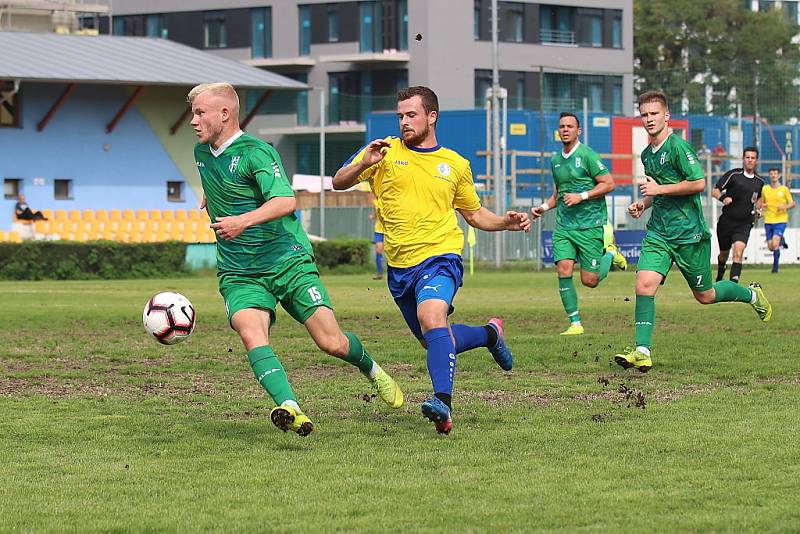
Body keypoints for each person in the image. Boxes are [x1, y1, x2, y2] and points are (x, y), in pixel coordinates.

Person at [188, 82, 403, 437]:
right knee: (251, 334)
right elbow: (222, 178)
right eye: (193, 113)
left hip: (287, 260)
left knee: (331, 342)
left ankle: (372, 370)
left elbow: (286, 202)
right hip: (240, 271)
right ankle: (290, 406)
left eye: (200, 113)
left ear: (225, 114)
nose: (193, 121)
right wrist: (211, 196)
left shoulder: (257, 153)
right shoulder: (201, 153)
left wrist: (242, 220)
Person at [332, 86, 530, 434]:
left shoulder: (455, 164)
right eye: (400, 116)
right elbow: (338, 182)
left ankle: (442, 402)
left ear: (431, 117)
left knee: (431, 315)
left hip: (441, 256)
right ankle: (489, 334)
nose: (404, 122)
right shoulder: (383, 151)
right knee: (437, 340)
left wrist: (505, 223)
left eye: (411, 115)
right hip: (399, 268)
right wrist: (364, 163)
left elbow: (475, 215)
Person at [614, 91, 772, 373]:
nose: (649, 119)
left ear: (666, 116)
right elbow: (660, 190)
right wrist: (645, 203)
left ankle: (751, 295)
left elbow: (698, 183)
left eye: (654, 114)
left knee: (706, 295)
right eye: (644, 115)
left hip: (689, 236)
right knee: (643, 284)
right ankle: (642, 350)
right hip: (660, 233)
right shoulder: (648, 154)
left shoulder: (678, 147)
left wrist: (658, 190)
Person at [530, 112, 627, 335]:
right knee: (563, 269)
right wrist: (542, 209)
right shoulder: (555, 160)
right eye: (562, 126)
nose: (565, 129)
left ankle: (610, 252)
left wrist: (581, 196)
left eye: (570, 126)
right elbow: (558, 194)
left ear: (578, 131)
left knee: (589, 281)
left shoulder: (588, 156)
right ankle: (575, 323)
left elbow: (609, 183)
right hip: (564, 226)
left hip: (590, 225)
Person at [712, 147, 764, 283]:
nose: (750, 160)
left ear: (756, 161)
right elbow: (715, 191)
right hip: (726, 222)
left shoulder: (760, 182)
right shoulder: (733, 175)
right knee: (724, 254)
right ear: (743, 159)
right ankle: (720, 273)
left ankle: (733, 285)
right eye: (747, 157)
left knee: (738, 253)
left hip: (744, 223)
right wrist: (723, 198)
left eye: (753, 158)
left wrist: (759, 210)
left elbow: (759, 199)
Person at [761, 168, 795, 273]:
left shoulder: (784, 189)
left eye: (775, 174)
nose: (773, 176)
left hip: (781, 220)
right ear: (769, 176)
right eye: (771, 174)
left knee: (775, 244)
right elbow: (761, 203)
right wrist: (762, 206)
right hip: (768, 220)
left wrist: (784, 206)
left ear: (779, 175)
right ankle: (782, 240)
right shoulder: (765, 189)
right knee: (771, 247)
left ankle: (775, 269)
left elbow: (792, 203)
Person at [368, 192, 385, 279]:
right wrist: (372, 217)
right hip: (378, 230)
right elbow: (376, 214)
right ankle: (379, 273)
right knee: (378, 251)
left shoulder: (388, 200)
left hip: (388, 229)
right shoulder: (375, 202)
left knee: (392, 253)